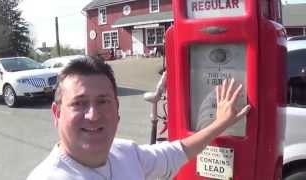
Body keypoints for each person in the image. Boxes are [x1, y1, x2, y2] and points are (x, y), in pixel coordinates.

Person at [26, 56, 250, 180]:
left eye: (103, 101)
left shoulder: (125, 153)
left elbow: (177, 152)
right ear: (57, 113)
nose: (93, 115)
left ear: (117, 109)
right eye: (79, 103)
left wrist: (220, 123)